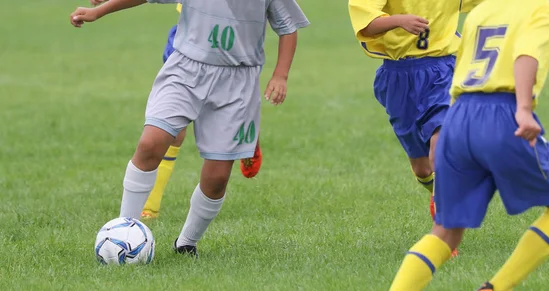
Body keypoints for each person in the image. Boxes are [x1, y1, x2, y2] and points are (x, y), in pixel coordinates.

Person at [70, 0, 309, 256]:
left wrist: (280, 75)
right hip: (185, 69)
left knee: (217, 178)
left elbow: (287, 27)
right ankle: (124, 231)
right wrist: (99, 10)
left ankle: (186, 243)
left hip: (237, 81)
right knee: (150, 143)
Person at [384, 0, 549, 291]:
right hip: (502, 114)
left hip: (459, 113)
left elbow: (461, 65)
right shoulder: (545, 10)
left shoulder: (481, 11)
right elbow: (527, 54)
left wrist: (452, 129)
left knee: (445, 231)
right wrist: (524, 110)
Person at [89, 0, 264, 219]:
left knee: (222, 110)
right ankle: (149, 208)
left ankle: (241, 129)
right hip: (190, 35)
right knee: (172, 131)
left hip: (237, 42)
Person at [347, 0, 482, 257]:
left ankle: (442, 232)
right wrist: (399, 20)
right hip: (399, 76)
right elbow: (367, 23)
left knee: (440, 145)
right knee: (422, 167)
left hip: (443, 69)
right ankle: (440, 190)